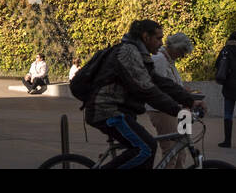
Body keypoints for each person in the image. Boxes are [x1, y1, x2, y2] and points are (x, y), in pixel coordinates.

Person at [83, 20, 204, 169]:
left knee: (146, 150)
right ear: (146, 37)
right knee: (145, 148)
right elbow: (148, 90)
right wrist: (179, 110)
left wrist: (189, 101)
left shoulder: (140, 54)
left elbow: (160, 82)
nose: (161, 43)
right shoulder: (129, 54)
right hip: (107, 111)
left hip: (120, 111)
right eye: (158, 38)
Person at [148, 32, 195, 168]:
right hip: (163, 110)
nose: (182, 56)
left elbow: (171, 84)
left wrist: (184, 92)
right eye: (182, 52)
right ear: (175, 48)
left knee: (181, 150)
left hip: (176, 109)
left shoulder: (168, 60)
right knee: (171, 152)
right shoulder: (159, 60)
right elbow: (158, 87)